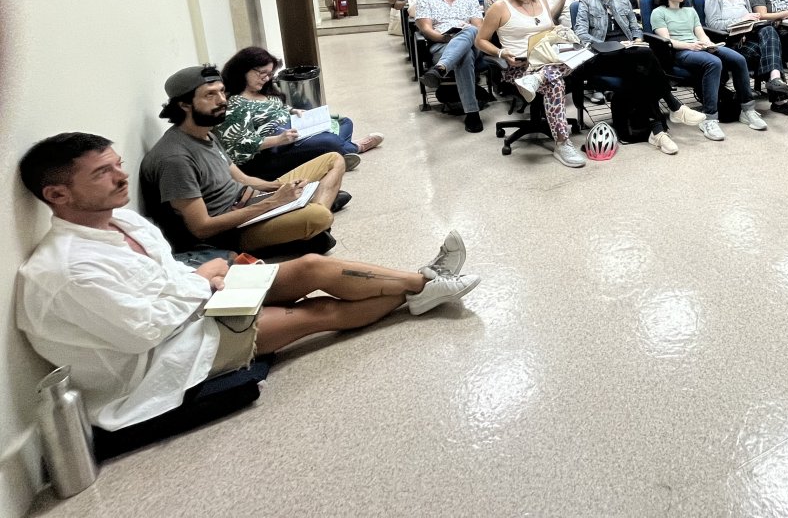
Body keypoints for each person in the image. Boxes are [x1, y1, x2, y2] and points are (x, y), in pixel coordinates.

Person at [17, 132, 479, 435]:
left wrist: (204, 280)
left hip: (196, 302)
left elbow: (166, 279)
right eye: (103, 173)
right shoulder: (67, 271)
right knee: (313, 313)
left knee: (310, 266)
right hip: (168, 355)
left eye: (117, 165)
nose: (121, 177)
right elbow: (143, 332)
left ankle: (424, 281)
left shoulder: (122, 221)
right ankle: (426, 288)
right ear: (58, 195)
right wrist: (203, 281)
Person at [141, 66, 348, 257]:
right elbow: (202, 228)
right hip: (232, 232)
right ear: (184, 104)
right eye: (210, 95)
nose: (222, 100)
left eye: (222, 91)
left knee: (334, 160)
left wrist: (280, 188)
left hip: (251, 201)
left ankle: (306, 220)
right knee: (320, 216)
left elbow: (243, 178)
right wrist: (274, 202)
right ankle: (312, 217)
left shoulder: (205, 133)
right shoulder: (175, 159)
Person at [573, 0, 705, 153]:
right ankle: (674, 106)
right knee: (645, 56)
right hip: (601, 55)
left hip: (629, 53)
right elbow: (581, 34)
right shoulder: (585, 2)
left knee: (641, 70)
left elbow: (635, 28)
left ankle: (657, 131)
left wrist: (635, 40)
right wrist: (614, 45)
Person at [476, 0, 589, 169]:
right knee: (555, 83)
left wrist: (561, 36)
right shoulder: (499, 7)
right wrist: (501, 52)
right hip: (520, 67)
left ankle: (538, 78)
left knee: (583, 55)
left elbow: (550, 29)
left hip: (549, 59)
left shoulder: (543, 1)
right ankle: (562, 142)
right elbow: (480, 41)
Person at [216, 48, 382, 178]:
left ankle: (339, 151)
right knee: (330, 140)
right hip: (273, 150)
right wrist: (278, 140)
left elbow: (278, 106)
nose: (266, 79)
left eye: (269, 74)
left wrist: (293, 110)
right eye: (262, 73)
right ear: (243, 70)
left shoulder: (262, 90)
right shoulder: (235, 104)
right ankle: (354, 147)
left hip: (294, 132)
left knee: (345, 122)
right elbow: (237, 147)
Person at [651, 0, 765, 138]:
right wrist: (691, 46)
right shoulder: (658, 12)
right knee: (714, 63)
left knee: (738, 59)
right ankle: (709, 118)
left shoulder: (690, 11)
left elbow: (701, 34)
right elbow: (667, 41)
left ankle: (747, 110)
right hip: (679, 52)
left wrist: (709, 44)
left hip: (698, 46)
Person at [704, 0, 788, 117]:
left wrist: (754, 20)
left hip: (747, 38)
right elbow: (713, 24)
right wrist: (742, 19)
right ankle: (780, 101)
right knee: (771, 51)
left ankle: (775, 79)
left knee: (769, 31)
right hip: (729, 44)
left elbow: (751, 19)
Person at [416, 0, 487, 133]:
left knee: (470, 30)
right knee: (464, 55)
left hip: (471, 43)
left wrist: (463, 33)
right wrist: (445, 38)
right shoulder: (426, 0)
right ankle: (472, 113)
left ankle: (441, 68)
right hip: (441, 45)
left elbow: (479, 27)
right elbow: (426, 29)